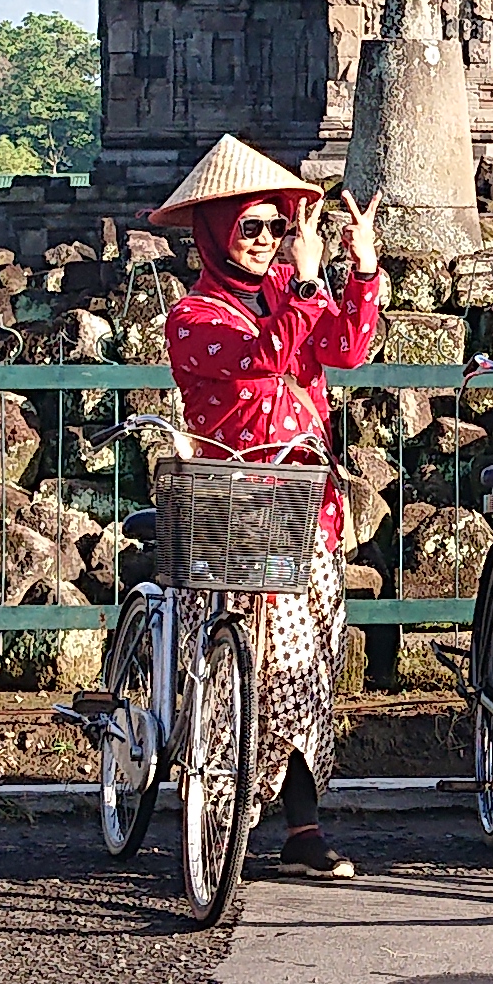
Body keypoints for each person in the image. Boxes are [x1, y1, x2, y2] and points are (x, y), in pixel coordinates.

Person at [146, 137, 376, 881]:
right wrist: (308, 284)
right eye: (252, 227)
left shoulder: (288, 289)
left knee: (311, 666)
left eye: (278, 227)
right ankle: (219, 810)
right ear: (216, 231)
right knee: (258, 664)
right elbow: (264, 360)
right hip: (233, 500)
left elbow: (346, 350)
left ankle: (302, 822)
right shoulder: (195, 314)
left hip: (308, 500)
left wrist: (360, 267)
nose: (268, 241)